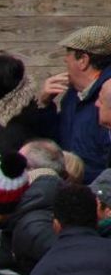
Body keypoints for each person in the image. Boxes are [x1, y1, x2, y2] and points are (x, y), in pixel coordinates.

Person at [36, 25, 111, 178]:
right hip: (71, 192)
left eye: (67, 60)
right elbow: (56, 141)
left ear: (83, 60)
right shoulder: (72, 97)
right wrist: (45, 106)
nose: (66, 66)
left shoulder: (107, 97)